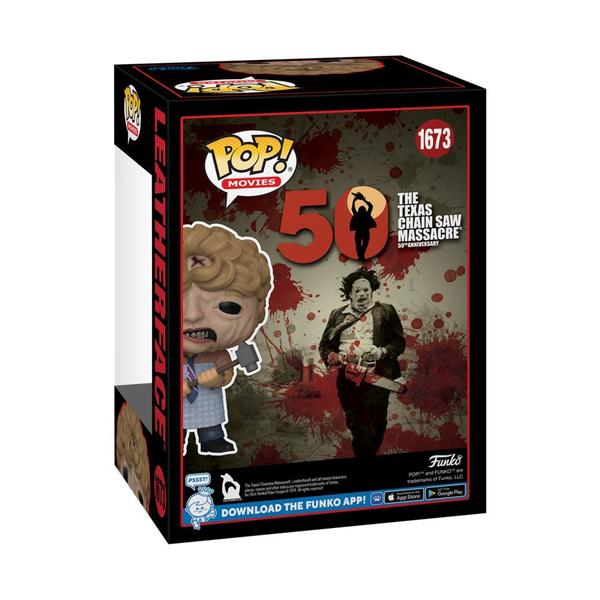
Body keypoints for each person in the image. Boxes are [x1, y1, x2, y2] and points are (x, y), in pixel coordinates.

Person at [182, 222, 273, 456]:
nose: (192, 316)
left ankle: (212, 438)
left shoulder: (218, 355)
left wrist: (218, 378)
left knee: (211, 420)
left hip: (207, 401)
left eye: (228, 306)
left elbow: (227, 374)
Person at [319, 269, 405, 457]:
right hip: (347, 377)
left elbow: (399, 343)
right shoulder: (337, 314)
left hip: (377, 376)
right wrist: (331, 355)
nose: (362, 294)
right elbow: (324, 346)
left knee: (376, 424)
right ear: (349, 293)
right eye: (357, 290)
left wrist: (382, 351)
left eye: (365, 290)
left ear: (372, 290)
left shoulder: (386, 311)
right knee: (358, 424)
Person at [349, 192, 377, 261]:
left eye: (363, 209)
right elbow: (370, 206)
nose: (362, 210)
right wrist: (362, 200)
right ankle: (361, 256)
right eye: (361, 209)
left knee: (363, 244)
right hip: (362, 232)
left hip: (362, 232)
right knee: (360, 245)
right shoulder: (362, 214)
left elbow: (370, 206)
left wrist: (357, 200)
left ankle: (361, 256)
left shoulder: (362, 214)